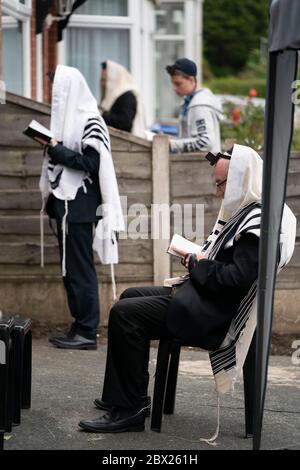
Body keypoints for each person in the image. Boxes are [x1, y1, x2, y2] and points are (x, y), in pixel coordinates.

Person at [78, 144, 295, 433]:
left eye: (221, 184)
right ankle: (121, 396)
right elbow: (232, 269)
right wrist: (201, 260)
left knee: (125, 314)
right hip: (208, 299)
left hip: (216, 315)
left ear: (241, 180)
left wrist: (197, 265)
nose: (218, 191)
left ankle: (130, 410)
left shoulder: (255, 223)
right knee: (130, 297)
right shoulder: (250, 213)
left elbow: (235, 280)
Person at [38, 65, 124, 350]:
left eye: (58, 92)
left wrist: (56, 150)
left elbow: (91, 163)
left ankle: (87, 330)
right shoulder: (69, 121)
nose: (54, 97)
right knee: (70, 269)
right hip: (65, 204)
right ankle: (79, 324)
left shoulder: (91, 121)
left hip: (81, 204)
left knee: (80, 268)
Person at [166, 58, 223, 154]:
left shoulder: (200, 105)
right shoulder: (190, 102)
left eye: (178, 84)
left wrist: (172, 144)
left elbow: (205, 143)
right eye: (173, 84)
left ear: (192, 80)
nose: (175, 88)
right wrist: (175, 140)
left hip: (200, 166)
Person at [100, 60, 145, 138]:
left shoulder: (127, 96)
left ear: (113, 79)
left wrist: (102, 115)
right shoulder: (112, 97)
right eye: (101, 80)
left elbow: (125, 123)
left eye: (105, 80)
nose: (102, 84)